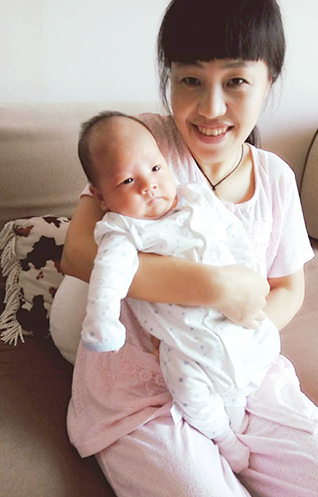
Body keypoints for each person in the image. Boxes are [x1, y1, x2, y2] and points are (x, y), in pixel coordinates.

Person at [51, 0, 318, 497]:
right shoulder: (142, 144)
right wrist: (215, 288)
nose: (210, 107)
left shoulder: (274, 178)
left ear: (269, 80)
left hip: (245, 378)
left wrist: (234, 343)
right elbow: (80, 253)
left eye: (235, 81)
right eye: (190, 80)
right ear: (169, 78)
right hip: (140, 397)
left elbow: (288, 288)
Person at [78, 111, 282, 473]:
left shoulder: (196, 197)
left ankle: (238, 406)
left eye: (156, 168)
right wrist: (102, 324)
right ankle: (224, 438)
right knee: (189, 390)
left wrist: (248, 278)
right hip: (183, 343)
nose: (149, 186)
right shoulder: (123, 231)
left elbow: (234, 235)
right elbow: (107, 277)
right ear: (101, 197)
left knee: (261, 350)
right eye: (128, 180)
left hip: (232, 320)